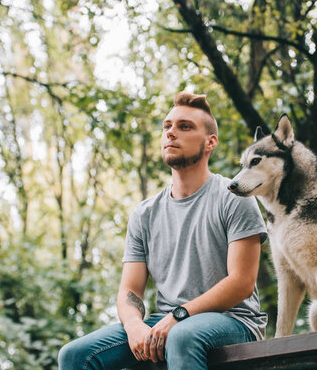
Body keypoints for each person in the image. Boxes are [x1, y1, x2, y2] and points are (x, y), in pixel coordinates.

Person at [58, 92, 268, 370]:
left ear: (210, 143)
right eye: (166, 126)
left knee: (181, 336)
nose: (171, 133)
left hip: (233, 320)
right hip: (167, 320)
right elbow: (130, 290)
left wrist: (180, 316)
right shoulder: (145, 214)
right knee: (74, 355)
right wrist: (134, 326)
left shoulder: (233, 197)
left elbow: (241, 282)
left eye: (184, 126)